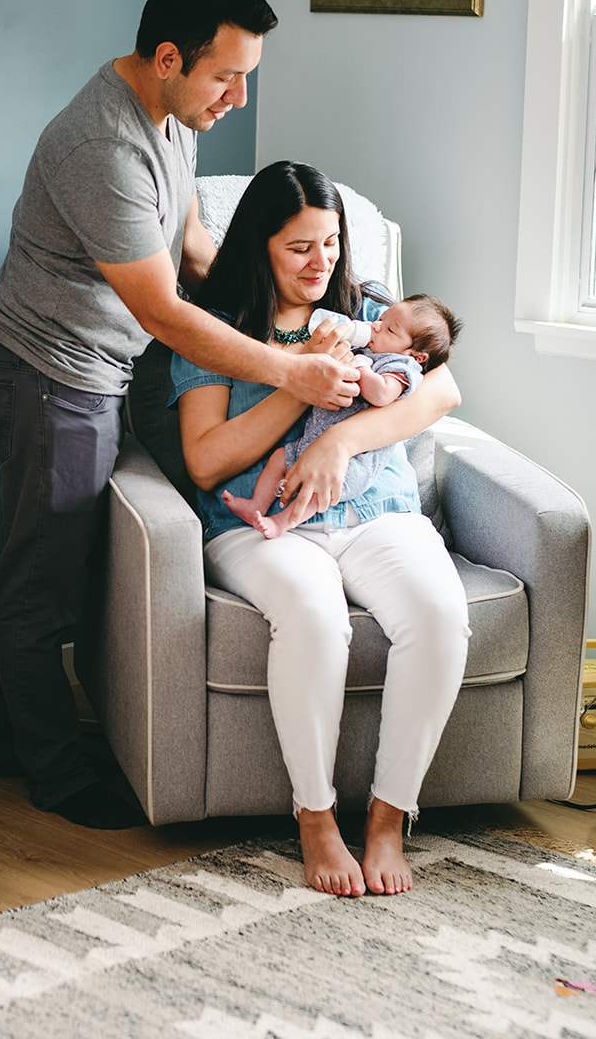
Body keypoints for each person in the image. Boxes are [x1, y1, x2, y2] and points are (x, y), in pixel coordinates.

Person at [0, 0, 363, 830]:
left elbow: (189, 249)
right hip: (49, 373)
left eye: (245, 78)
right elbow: (165, 312)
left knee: (37, 555)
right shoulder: (100, 146)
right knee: (49, 573)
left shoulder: (174, 117)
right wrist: (290, 371)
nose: (238, 100)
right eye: (227, 77)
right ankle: (54, 771)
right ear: (167, 57)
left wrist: (277, 306)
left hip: (94, 369)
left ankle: (7, 742)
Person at [170, 160, 467, 896]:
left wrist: (341, 440)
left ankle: (390, 820)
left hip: (375, 512)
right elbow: (205, 461)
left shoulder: (367, 308)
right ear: (260, 244)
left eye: (330, 243)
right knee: (311, 614)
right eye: (299, 246)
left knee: (437, 613)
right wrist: (295, 379)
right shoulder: (219, 326)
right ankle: (317, 819)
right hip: (263, 522)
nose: (319, 262)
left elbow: (443, 391)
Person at [222, 295, 462, 539]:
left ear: (416, 355)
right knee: (278, 458)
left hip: (355, 463)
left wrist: (363, 370)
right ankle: (256, 504)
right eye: (381, 318)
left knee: (318, 493)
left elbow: (381, 394)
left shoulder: (401, 367)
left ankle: (282, 522)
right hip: (312, 442)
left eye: (389, 329)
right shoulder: (368, 349)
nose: (375, 325)